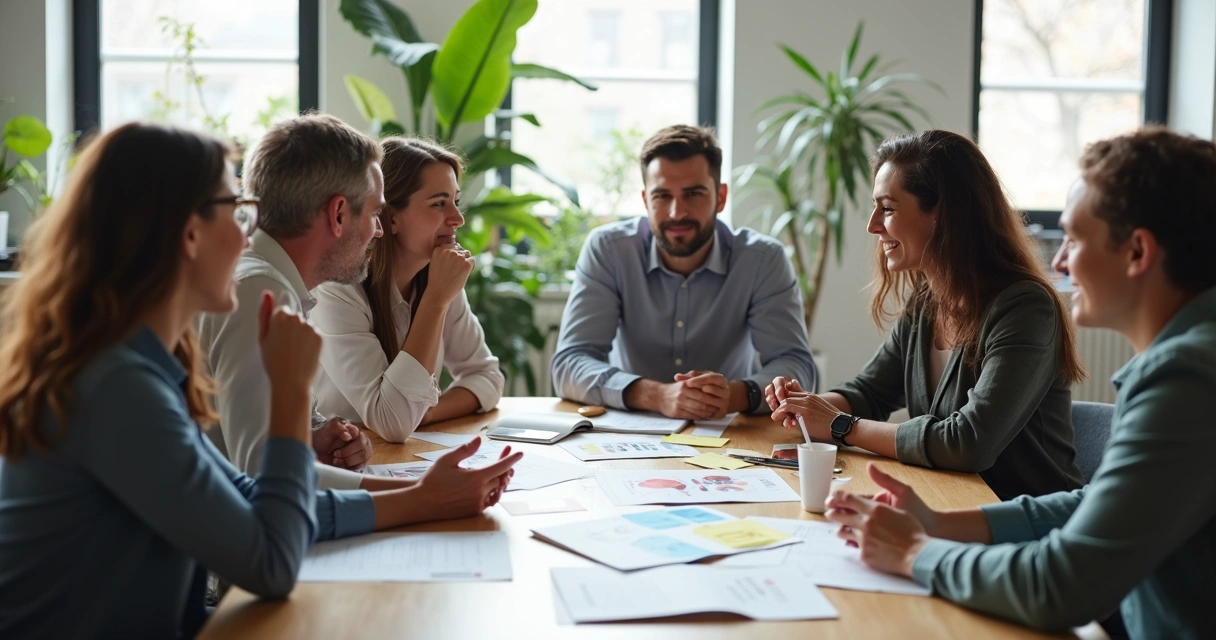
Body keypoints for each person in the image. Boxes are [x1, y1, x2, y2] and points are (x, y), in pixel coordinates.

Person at [0, 123, 517, 638]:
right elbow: (270, 557)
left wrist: (423, 495)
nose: (249, 234)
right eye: (238, 212)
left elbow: (243, 491)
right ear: (190, 235)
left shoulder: (132, 365)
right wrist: (291, 394)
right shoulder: (119, 388)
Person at [824, 128, 1216, 638]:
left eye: (1074, 238)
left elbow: (1059, 586)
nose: (1059, 261)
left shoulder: (1186, 380)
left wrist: (916, 552)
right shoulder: (1183, 364)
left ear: (1138, 252)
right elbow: (1093, 503)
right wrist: (941, 524)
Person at [768, 130, 1084, 500]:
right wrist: (804, 406)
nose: (872, 225)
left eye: (887, 209)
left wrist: (840, 425)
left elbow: (968, 444)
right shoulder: (925, 302)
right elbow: (869, 393)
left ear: (943, 215)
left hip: (1025, 519)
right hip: (949, 503)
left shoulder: (1025, 309)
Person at [551, 124, 816, 420]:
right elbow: (569, 364)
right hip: (627, 429)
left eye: (693, 194)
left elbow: (797, 366)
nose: (677, 212)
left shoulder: (763, 260)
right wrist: (656, 395)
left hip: (728, 430)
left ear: (720, 197)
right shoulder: (609, 250)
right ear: (645, 200)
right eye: (662, 196)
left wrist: (732, 396)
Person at [197, 114, 382, 489]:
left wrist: (310, 440)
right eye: (375, 212)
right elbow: (261, 471)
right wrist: (421, 493)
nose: (377, 230)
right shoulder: (262, 292)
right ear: (338, 214)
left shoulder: (263, 278)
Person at [311, 137, 503, 443]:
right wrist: (436, 300)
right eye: (439, 203)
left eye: (456, 201)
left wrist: (427, 413)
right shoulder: (338, 288)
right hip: (343, 458)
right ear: (390, 217)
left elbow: (488, 377)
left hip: (397, 457)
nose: (458, 219)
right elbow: (393, 423)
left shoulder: (440, 278)